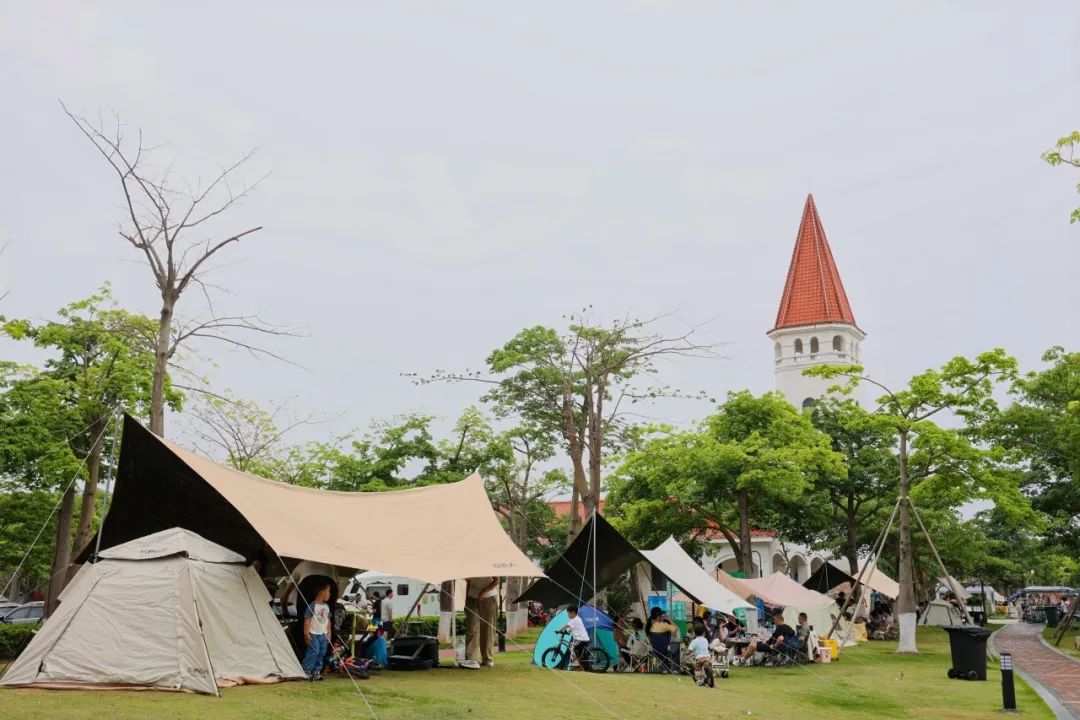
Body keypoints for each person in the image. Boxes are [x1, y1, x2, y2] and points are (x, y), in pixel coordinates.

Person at [461, 576, 498, 669]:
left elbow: (497, 581)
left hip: (489, 597)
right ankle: (471, 659)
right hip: (472, 597)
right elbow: (468, 582)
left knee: (487, 629)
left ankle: (487, 659)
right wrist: (466, 600)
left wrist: (483, 592)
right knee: (472, 627)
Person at [302, 582, 333, 681]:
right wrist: (306, 633)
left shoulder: (326, 606)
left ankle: (316, 671)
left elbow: (328, 620)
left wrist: (329, 632)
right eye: (328, 591)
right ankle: (306, 670)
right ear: (321, 592)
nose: (329, 594)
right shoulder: (312, 606)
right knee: (314, 651)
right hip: (313, 633)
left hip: (323, 634)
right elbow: (307, 620)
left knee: (322, 652)